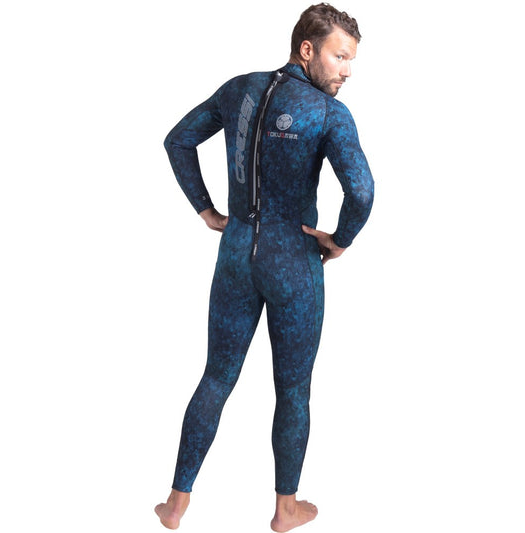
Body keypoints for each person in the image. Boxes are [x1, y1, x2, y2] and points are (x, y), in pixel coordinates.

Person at [155, 3, 374, 531]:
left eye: (352, 59)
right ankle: (284, 509)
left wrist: (208, 212)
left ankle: (176, 503)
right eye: (340, 56)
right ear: (307, 49)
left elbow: (178, 140)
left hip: (236, 253)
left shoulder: (240, 89)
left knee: (216, 376)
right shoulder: (328, 113)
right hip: (293, 261)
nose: (348, 70)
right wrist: (340, 241)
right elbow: (362, 193)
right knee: (293, 389)